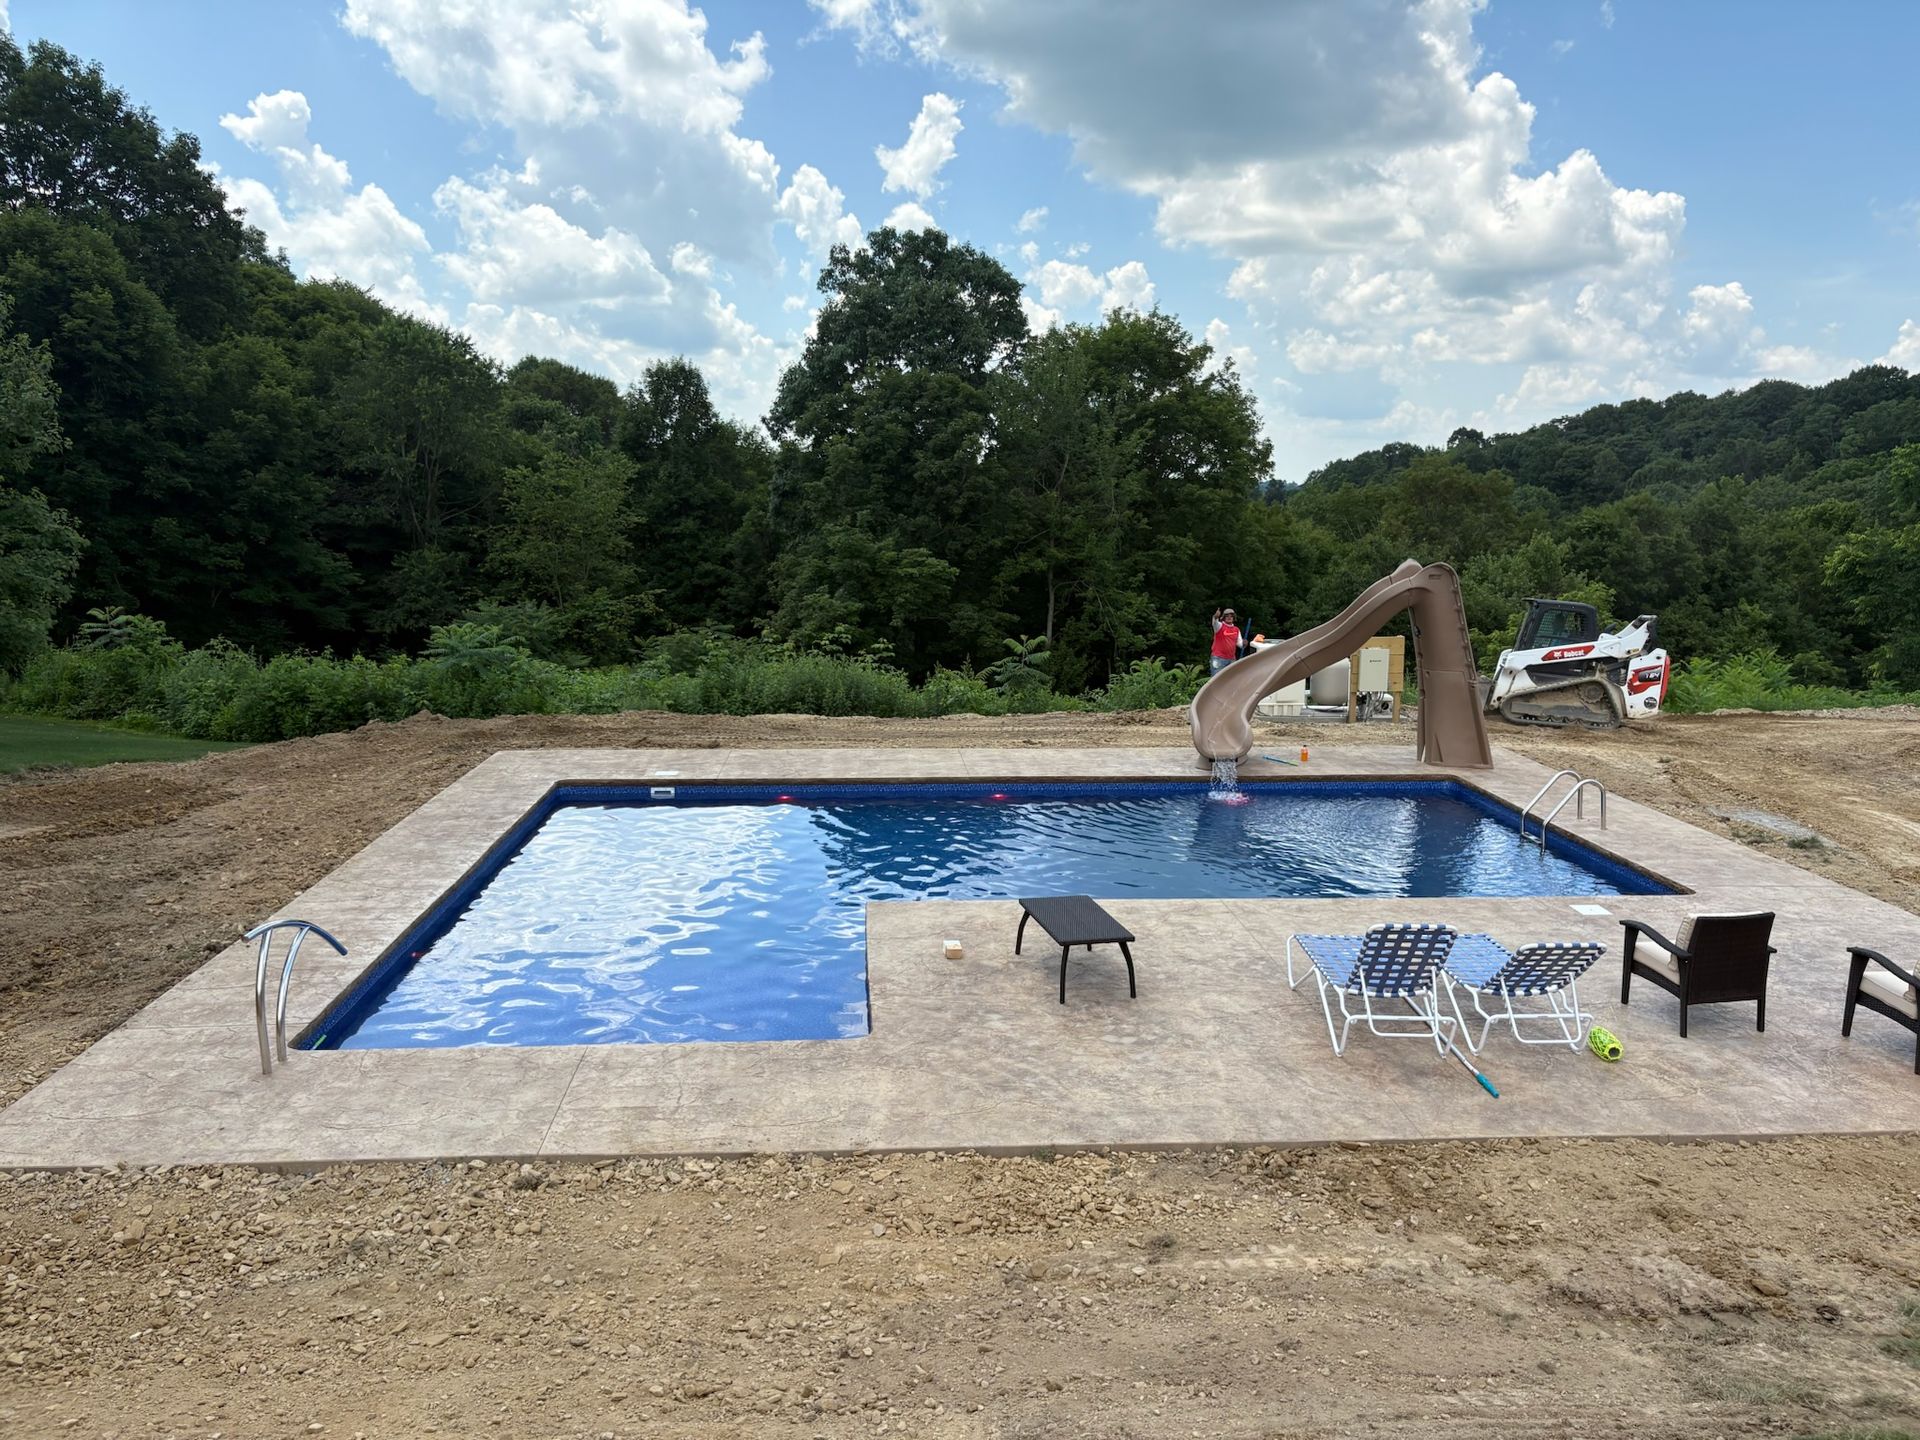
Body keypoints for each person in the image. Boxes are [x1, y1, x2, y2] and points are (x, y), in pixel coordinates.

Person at [1210, 607, 1243, 674]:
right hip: (1218, 658)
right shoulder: (1219, 626)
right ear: (1223, 617)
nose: (1229, 617)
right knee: (1217, 680)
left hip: (1232, 660)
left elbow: (1240, 644)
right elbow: (1214, 622)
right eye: (1227, 616)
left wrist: (1244, 643)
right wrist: (1215, 617)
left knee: (1231, 680)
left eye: (1231, 616)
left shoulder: (1236, 629)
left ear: (1234, 618)